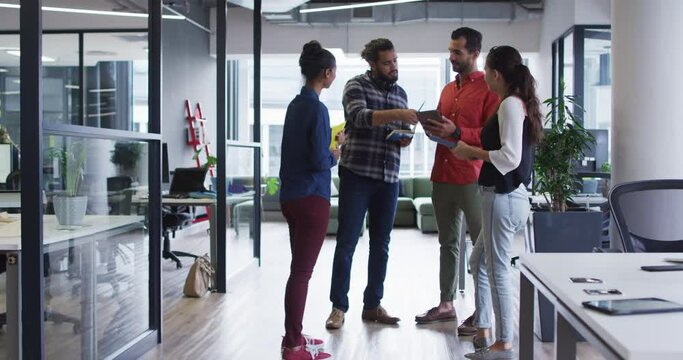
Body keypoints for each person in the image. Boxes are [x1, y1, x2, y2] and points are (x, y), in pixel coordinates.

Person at [450, 45, 544, 359]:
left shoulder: (510, 105)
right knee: (479, 263)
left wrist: (470, 152)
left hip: (502, 197)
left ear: (495, 73)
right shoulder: (517, 104)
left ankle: (504, 342)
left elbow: (510, 157)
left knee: (497, 269)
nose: (485, 80)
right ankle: (485, 328)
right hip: (508, 198)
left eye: (487, 73)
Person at [325, 38, 418, 329]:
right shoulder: (356, 86)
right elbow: (360, 117)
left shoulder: (401, 93)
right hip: (357, 175)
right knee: (347, 242)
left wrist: (404, 137)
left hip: (388, 178)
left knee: (381, 244)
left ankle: (373, 305)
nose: (393, 66)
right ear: (372, 64)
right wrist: (399, 115)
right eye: (387, 62)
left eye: (395, 60)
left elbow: (401, 132)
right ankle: (338, 307)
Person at [416, 27, 499, 333]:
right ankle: (446, 304)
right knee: (447, 243)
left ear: (475, 54)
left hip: (472, 177)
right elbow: (443, 128)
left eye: (457, 52)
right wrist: (432, 127)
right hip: (442, 175)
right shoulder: (448, 90)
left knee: (480, 250)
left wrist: (457, 132)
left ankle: (483, 313)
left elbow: (491, 137)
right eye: (450, 51)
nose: (451, 57)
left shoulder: (489, 90)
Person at [279, 40, 342, 360]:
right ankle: (293, 346)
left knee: (297, 269)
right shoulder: (317, 109)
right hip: (311, 198)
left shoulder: (294, 105)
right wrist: (337, 150)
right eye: (334, 73)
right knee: (302, 272)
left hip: (290, 196)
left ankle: (295, 335)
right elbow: (319, 160)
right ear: (327, 73)